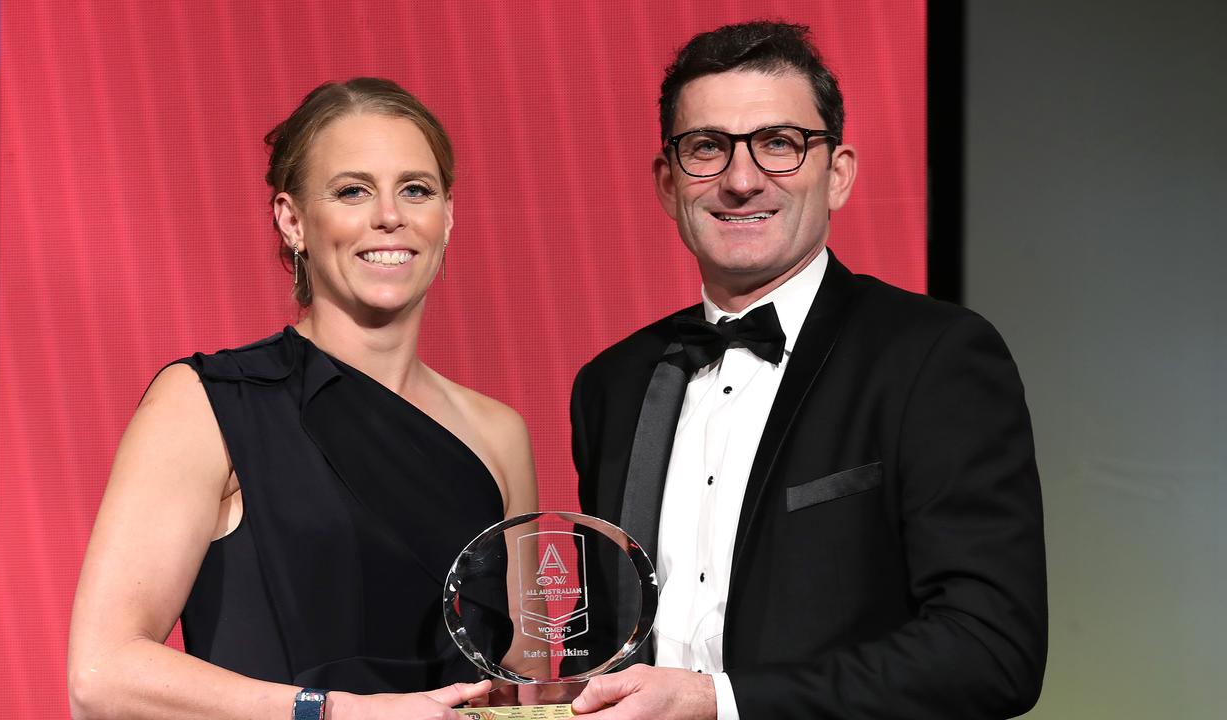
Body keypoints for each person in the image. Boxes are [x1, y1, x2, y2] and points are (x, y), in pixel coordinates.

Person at [568, 22, 1048, 719]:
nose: (740, 179)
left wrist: (720, 702)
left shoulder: (934, 357)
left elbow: (990, 650)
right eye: (707, 148)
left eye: (779, 145)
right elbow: (604, 646)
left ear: (840, 172)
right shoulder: (612, 383)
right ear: (667, 183)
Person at [68, 78, 537, 720]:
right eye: (352, 191)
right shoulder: (207, 403)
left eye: (416, 189)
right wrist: (335, 712)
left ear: (447, 215)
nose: (389, 217)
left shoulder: (499, 434)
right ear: (292, 220)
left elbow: (523, 680)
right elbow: (103, 675)